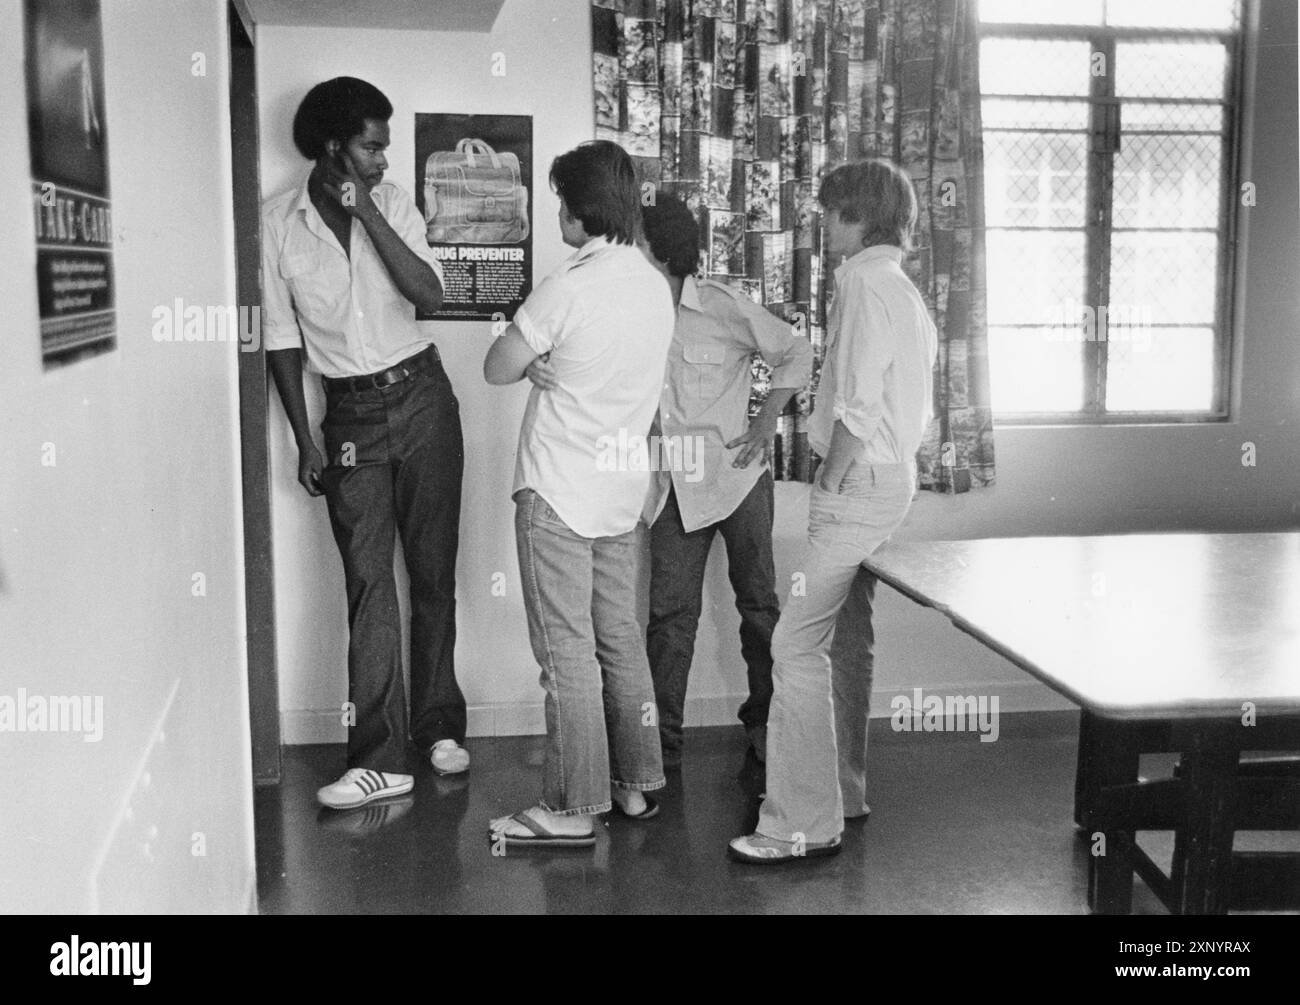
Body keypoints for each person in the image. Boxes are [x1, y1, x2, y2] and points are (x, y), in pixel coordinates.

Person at [261, 77, 470, 810]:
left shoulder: (398, 202)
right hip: (347, 417)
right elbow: (281, 342)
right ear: (332, 147)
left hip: (422, 398)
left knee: (433, 570)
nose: (383, 158)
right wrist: (303, 436)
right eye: (371, 146)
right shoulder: (278, 222)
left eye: (384, 146)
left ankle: (439, 726)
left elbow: (431, 295)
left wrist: (369, 213)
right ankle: (379, 755)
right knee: (368, 582)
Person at [728, 159, 938, 863]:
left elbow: (855, 401)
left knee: (794, 644)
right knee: (847, 636)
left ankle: (800, 823)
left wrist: (831, 481)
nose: (822, 223)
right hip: (892, 476)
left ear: (856, 215)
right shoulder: (903, 289)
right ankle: (844, 792)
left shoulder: (861, 283)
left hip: (860, 478)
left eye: (829, 212)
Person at [484, 140, 674, 847]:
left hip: (559, 490)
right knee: (620, 641)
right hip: (622, 492)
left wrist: (534, 359)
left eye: (562, 196)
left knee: (567, 651)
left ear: (582, 203)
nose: (557, 209)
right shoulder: (652, 283)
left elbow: (497, 366)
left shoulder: (569, 283)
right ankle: (633, 788)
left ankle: (570, 807)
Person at [634, 193, 812, 767]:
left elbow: (797, 352)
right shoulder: (627, 313)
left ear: (656, 249)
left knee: (758, 606)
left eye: (634, 240)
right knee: (668, 618)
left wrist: (765, 421)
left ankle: (767, 726)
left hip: (737, 480)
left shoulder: (720, 306)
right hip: (672, 487)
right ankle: (659, 746)